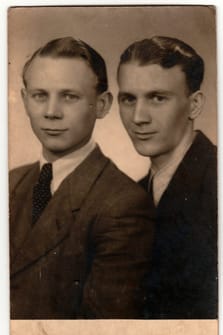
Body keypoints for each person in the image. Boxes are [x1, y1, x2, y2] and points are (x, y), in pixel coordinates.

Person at [9, 37, 155, 319]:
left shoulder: (123, 204)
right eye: (40, 95)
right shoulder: (11, 183)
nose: (51, 112)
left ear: (101, 105)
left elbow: (100, 331)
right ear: (25, 101)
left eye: (69, 97)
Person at [117, 36, 217, 319]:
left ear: (195, 105)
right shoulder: (132, 195)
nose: (138, 117)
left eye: (157, 98)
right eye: (128, 99)